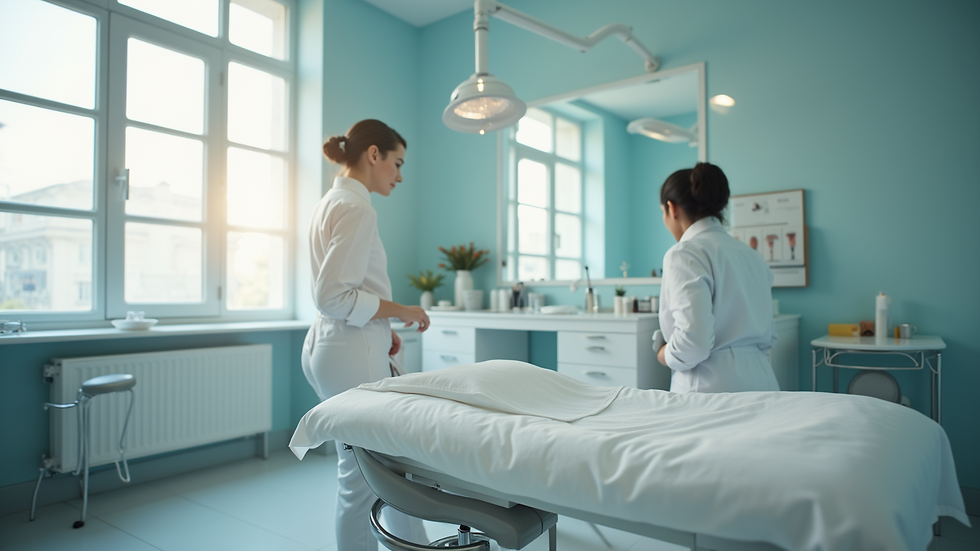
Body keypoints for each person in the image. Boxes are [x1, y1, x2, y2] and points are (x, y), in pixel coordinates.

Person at [301, 119, 430, 550]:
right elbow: (333, 295)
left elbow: (348, 291)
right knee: (363, 480)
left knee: (389, 469)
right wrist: (402, 312)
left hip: (333, 345)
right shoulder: (358, 208)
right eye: (397, 162)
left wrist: (385, 326)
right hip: (348, 349)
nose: (400, 175)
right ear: (373, 154)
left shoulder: (331, 202)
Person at [655, 162, 779, 393]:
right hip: (763, 381)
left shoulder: (685, 253)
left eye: (663, 212)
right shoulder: (752, 256)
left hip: (710, 388)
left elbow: (694, 343)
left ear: (672, 209)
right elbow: (769, 336)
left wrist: (665, 355)